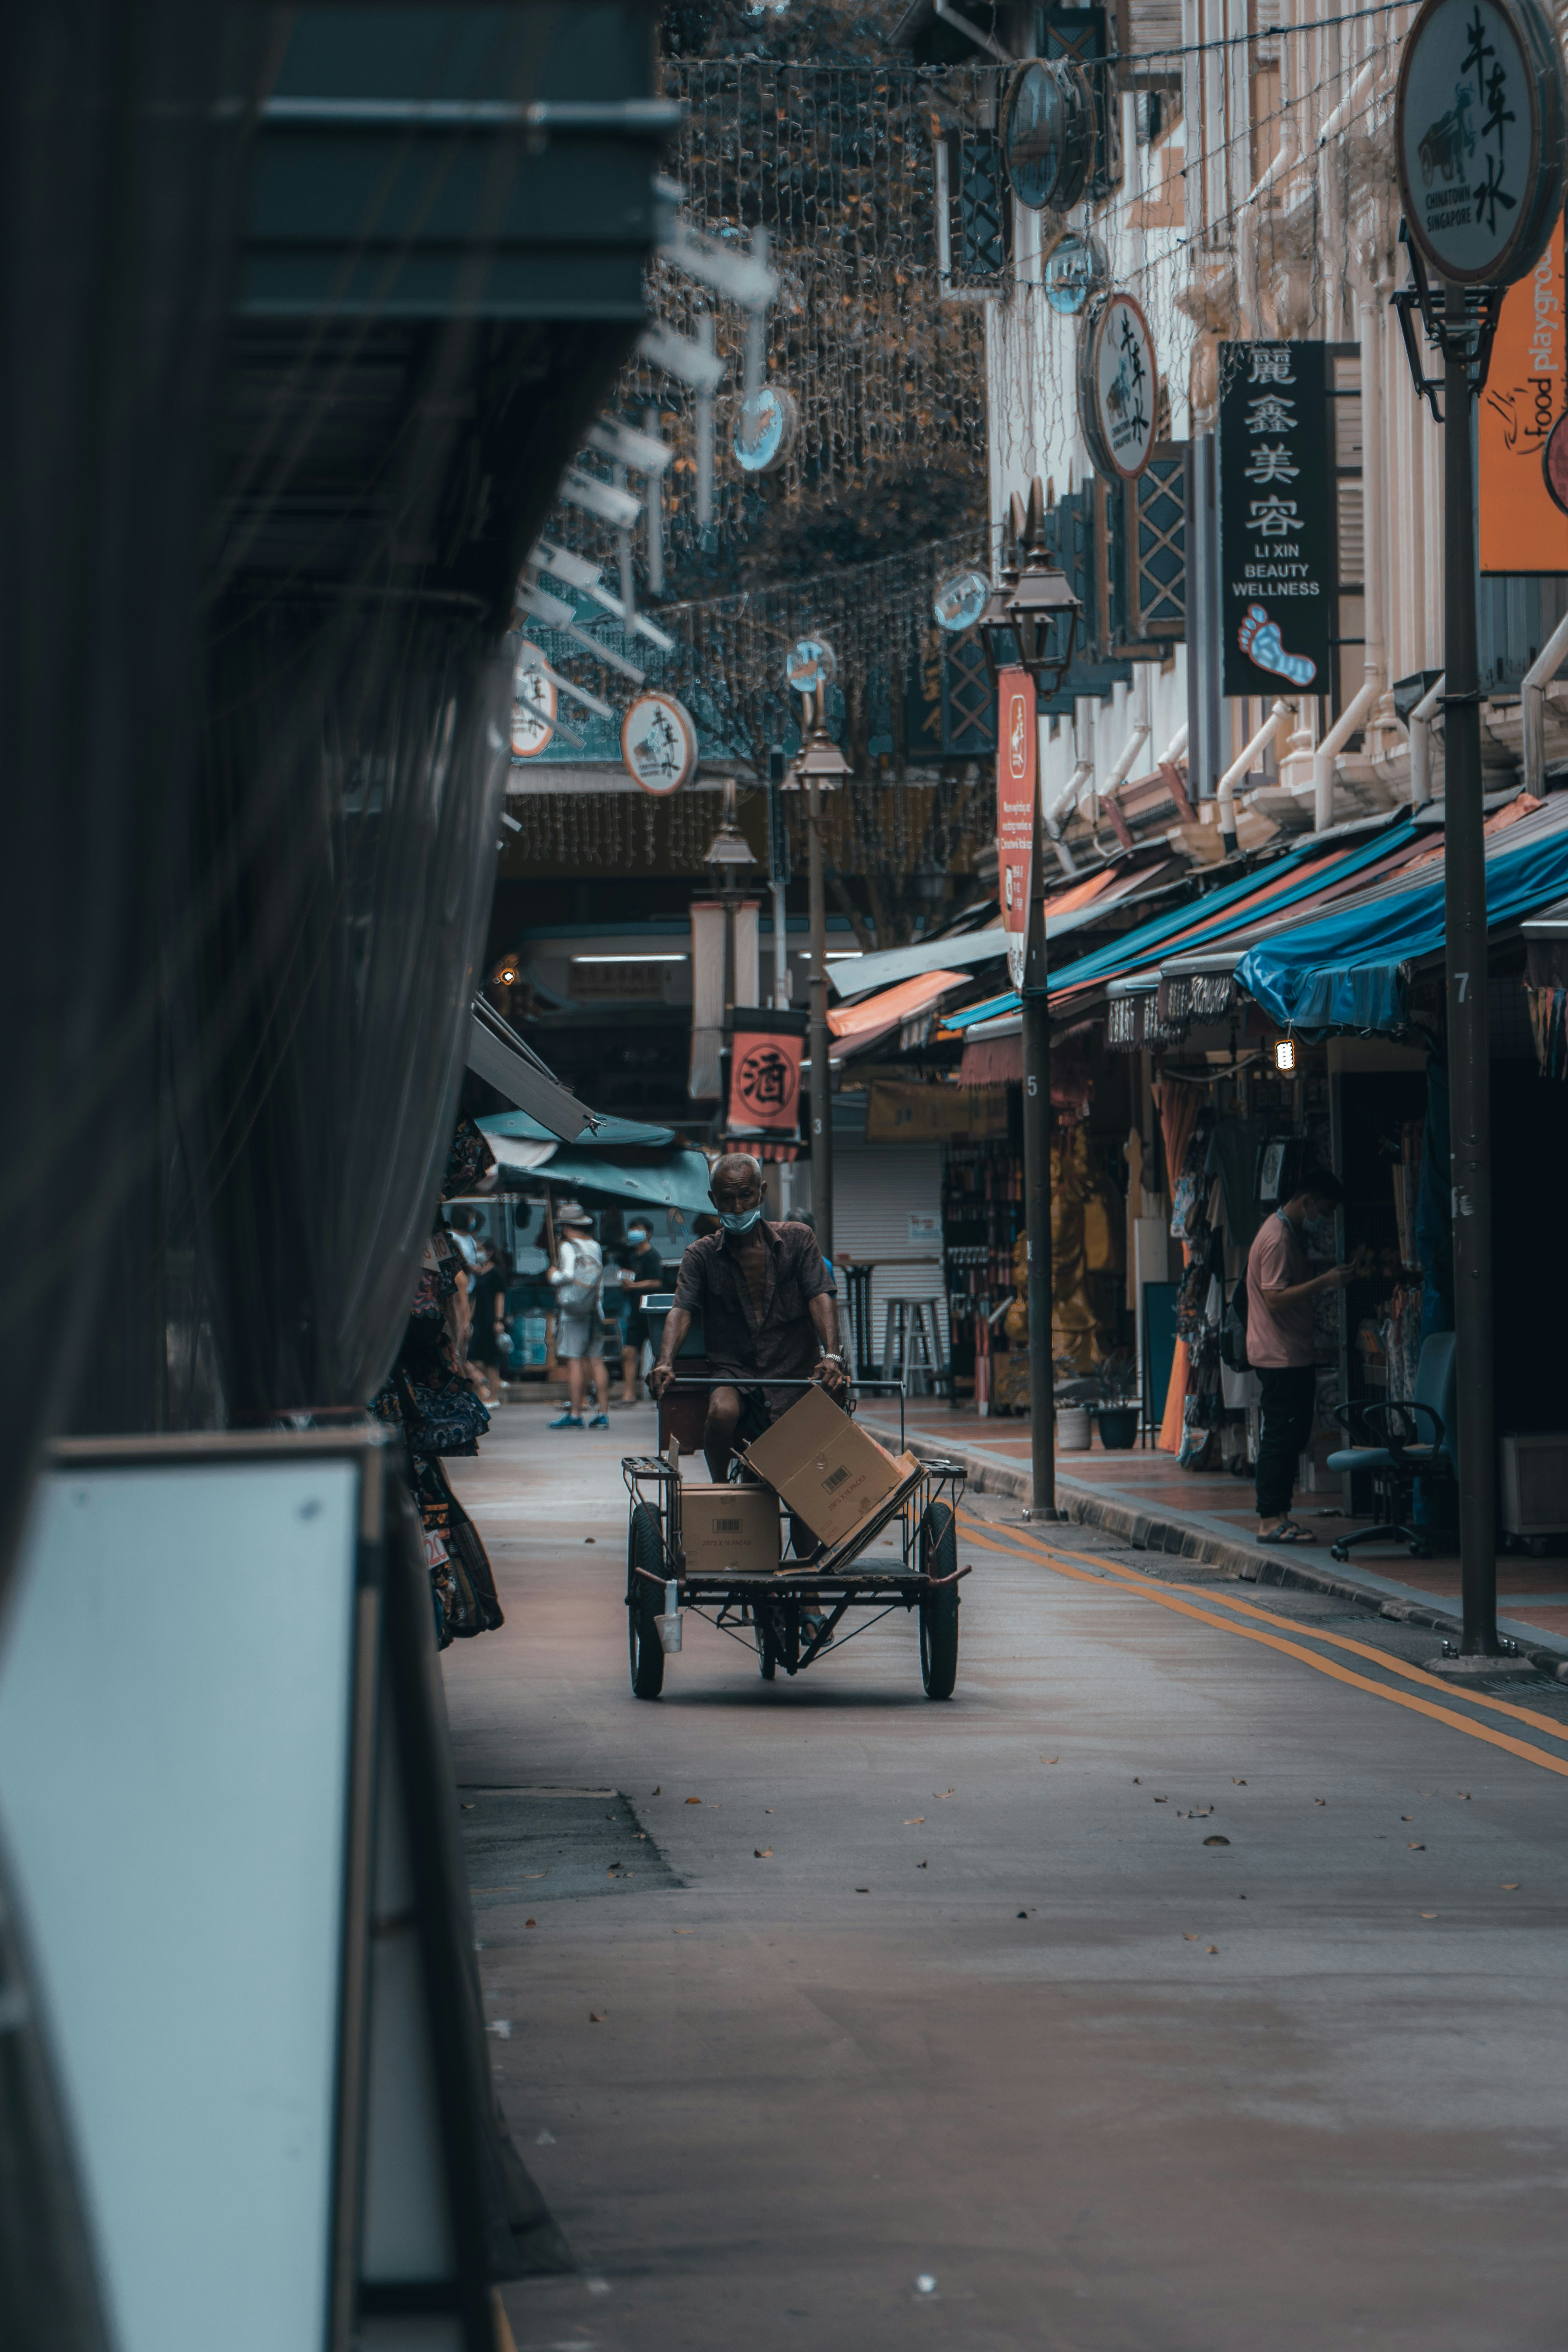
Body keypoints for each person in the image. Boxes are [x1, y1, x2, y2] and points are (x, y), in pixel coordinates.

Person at [650, 1152, 846, 1483]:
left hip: (794, 1372)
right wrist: (665, 1361)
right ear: (714, 1200)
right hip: (734, 1371)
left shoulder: (799, 1240)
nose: (738, 1208)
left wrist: (831, 1355)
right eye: (727, 1199)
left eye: (746, 1196)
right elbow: (681, 1311)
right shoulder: (699, 1256)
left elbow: (820, 1297)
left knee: (804, 1490)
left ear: (762, 1192)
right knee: (722, 1413)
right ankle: (721, 1488)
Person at [1245, 1167, 1351, 1543]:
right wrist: (1326, 1282)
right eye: (1322, 1209)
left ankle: (1280, 1515)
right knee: (1279, 1436)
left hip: (1291, 1353)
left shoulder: (1284, 1233)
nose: (1322, 1218)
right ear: (1306, 1201)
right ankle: (1269, 1520)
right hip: (1279, 1355)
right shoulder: (1276, 1238)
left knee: (1291, 1435)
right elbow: (1274, 1299)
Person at [548, 1203, 611, 1430]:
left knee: (574, 1360)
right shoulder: (595, 1246)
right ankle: (603, 1414)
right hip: (595, 1309)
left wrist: (552, 1275)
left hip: (573, 1312)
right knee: (596, 1360)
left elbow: (566, 1276)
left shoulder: (567, 1247)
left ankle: (575, 1414)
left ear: (565, 1227)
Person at [611, 1215, 667, 1404]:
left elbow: (657, 1282)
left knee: (660, 1355)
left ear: (649, 1233)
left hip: (652, 1315)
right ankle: (629, 1394)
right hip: (634, 1313)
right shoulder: (631, 1256)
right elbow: (627, 1276)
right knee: (628, 1353)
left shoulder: (653, 1256)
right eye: (633, 1229)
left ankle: (660, 1395)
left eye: (639, 1230)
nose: (635, 1234)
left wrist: (634, 1286)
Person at [466, 1241, 509, 1404]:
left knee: (491, 1360)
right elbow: (474, 1299)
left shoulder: (495, 1272)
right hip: (478, 1320)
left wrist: (499, 1320)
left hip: (491, 1319)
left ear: (490, 1252)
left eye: (480, 1250)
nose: (478, 1253)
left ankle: (493, 1397)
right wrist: (468, 1320)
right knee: (473, 1357)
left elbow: (500, 1297)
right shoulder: (479, 1273)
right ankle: (497, 1382)